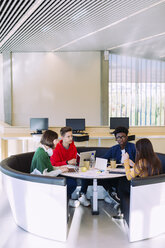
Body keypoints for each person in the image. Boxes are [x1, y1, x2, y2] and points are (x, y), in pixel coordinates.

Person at [30, 130, 80, 208]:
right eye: (56, 140)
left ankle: (66, 200)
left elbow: (49, 167)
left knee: (72, 180)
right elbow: (45, 175)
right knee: (71, 183)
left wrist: (59, 168)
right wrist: (60, 170)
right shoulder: (41, 154)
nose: (57, 142)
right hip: (41, 182)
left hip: (46, 177)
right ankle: (64, 201)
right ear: (52, 141)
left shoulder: (43, 151)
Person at [118, 138, 162, 225]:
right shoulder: (155, 160)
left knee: (122, 184)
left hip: (142, 190)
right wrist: (133, 165)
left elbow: (129, 177)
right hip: (151, 189)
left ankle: (122, 213)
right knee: (123, 184)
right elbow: (143, 171)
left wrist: (126, 161)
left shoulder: (141, 161)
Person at [50, 126, 90, 207]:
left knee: (86, 175)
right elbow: (53, 164)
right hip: (62, 171)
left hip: (72, 169)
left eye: (71, 136)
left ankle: (81, 195)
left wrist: (79, 161)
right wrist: (67, 162)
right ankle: (66, 200)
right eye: (68, 136)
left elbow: (75, 156)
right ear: (62, 137)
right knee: (72, 183)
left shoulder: (72, 145)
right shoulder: (56, 148)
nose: (71, 138)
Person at [102, 126, 136, 204]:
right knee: (102, 177)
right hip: (116, 172)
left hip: (128, 174)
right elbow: (104, 158)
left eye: (122, 137)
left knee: (121, 180)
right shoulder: (114, 149)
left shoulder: (133, 147)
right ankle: (112, 193)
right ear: (115, 139)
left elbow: (138, 163)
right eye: (118, 137)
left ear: (127, 137)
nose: (120, 139)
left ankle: (118, 198)